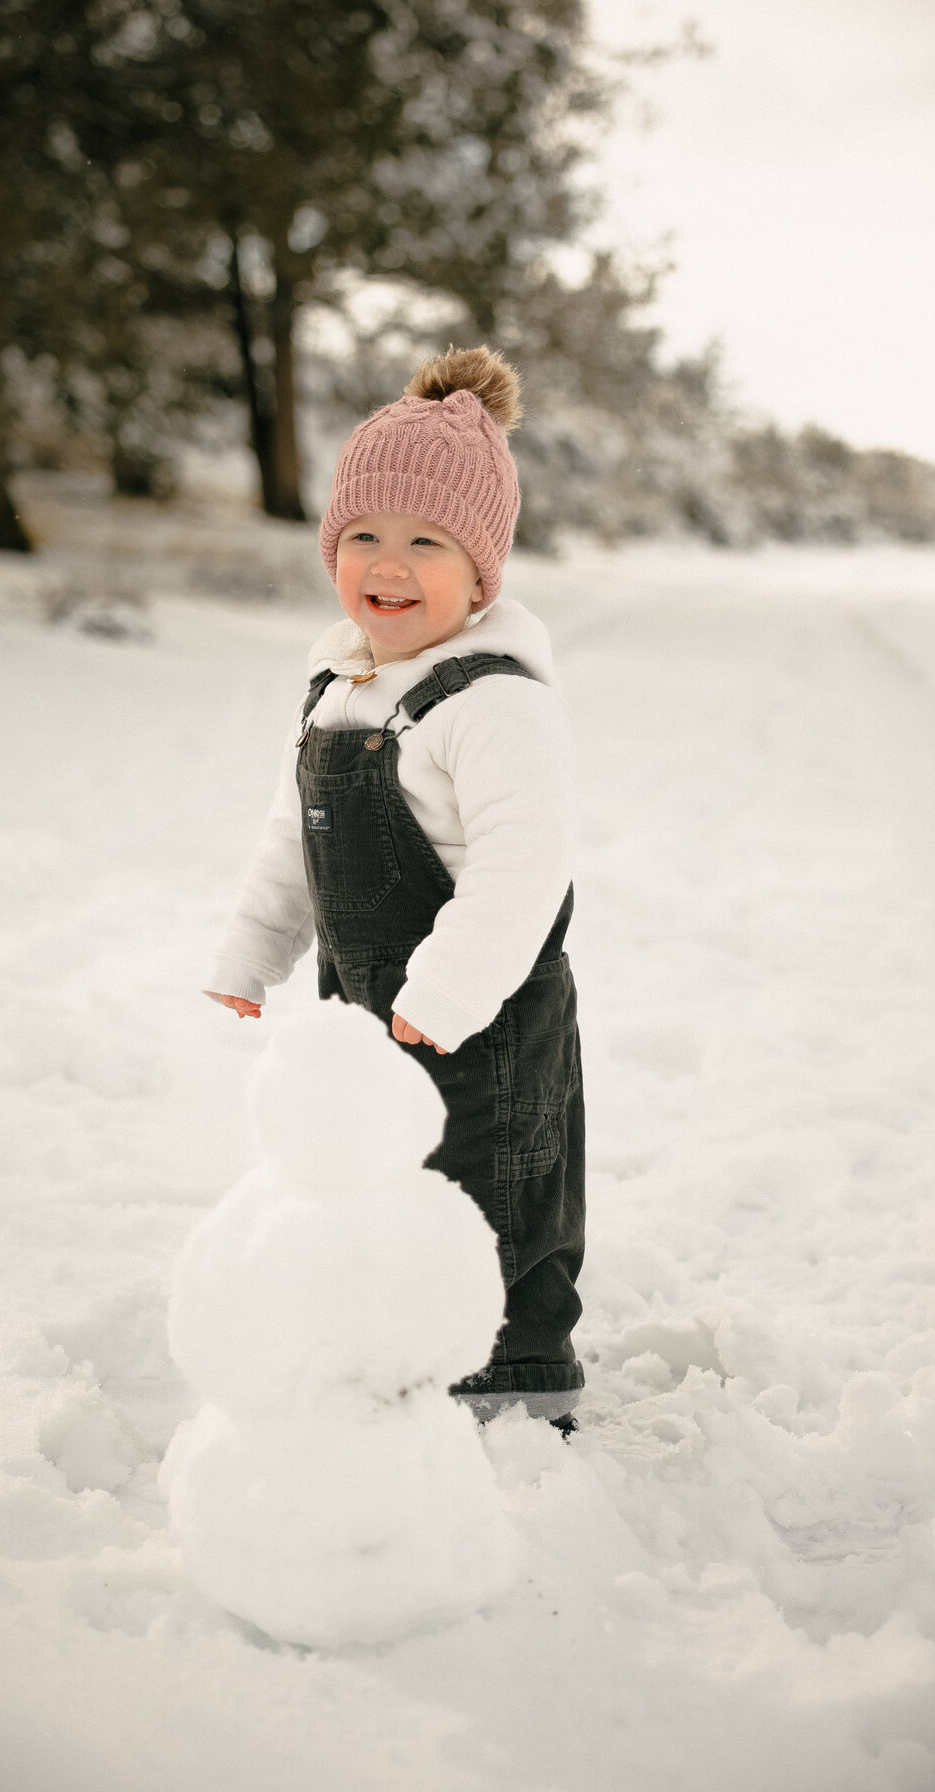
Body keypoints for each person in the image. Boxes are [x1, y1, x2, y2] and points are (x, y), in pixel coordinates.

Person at [205, 346, 585, 1429]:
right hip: (361, 1012)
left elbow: (525, 869)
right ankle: (390, 1362)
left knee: (493, 1191)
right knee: (377, 1185)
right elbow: (296, 840)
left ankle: (511, 1391)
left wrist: (449, 996)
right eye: (364, 535)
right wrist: (249, 951)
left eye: (428, 542)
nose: (389, 562)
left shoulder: (495, 705)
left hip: (486, 1023)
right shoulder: (341, 688)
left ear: (482, 574)